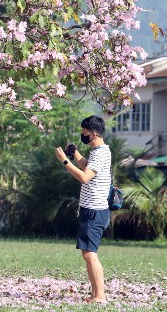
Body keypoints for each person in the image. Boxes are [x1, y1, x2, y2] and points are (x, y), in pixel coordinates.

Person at [55, 115, 112, 304]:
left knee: (89, 254)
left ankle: (100, 296)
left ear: (94, 133)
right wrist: (75, 154)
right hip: (93, 210)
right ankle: (95, 295)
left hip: (94, 211)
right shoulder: (101, 151)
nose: (82, 134)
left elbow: (85, 177)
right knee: (88, 253)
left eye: (84, 132)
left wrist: (65, 161)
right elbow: (88, 167)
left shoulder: (100, 153)